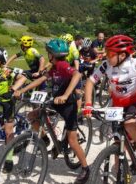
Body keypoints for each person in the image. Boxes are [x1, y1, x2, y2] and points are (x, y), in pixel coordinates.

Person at [14, 38, 90, 183]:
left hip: (68, 105)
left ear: (52, 54)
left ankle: (86, 168)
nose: (47, 54)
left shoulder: (62, 65)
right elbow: (42, 79)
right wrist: (22, 89)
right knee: (33, 115)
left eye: (48, 52)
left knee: (73, 141)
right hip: (55, 101)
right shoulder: (54, 67)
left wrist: (66, 95)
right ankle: (46, 139)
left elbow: (77, 75)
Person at [83, 35, 136, 171]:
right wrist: (88, 104)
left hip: (134, 102)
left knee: (130, 125)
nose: (106, 56)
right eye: (106, 53)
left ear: (122, 55)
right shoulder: (106, 65)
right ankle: (122, 172)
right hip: (117, 105)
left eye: (110, 53)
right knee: (118, 141)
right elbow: (90, 82)